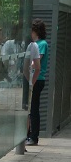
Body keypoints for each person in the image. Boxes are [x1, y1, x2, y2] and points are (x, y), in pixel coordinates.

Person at [26, 18, 48, 146]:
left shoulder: (42, 44)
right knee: (31, 107)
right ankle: (29, 134)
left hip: (37, 79)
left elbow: (37, 61)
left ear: (36, 31)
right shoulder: (34, 44)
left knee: (33, 108)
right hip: (33, 77)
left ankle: (33, 136)